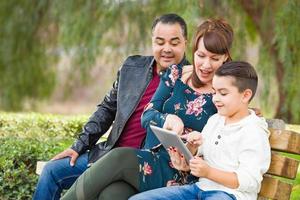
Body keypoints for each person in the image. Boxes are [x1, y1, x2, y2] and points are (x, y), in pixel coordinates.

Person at [61, 18, 234, 200]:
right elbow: (147, 115)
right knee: (111, 194)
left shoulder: (224, 95)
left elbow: (223, 146)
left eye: (214, 59)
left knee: (119, 157)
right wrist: (167, 119)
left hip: (182, 175)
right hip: (148, 159)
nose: (206, 65)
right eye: (201, 55)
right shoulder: (176, 74)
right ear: (194, 51)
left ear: (225, 59)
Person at [33, 13, 189, 200]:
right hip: (108, 155)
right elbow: (107, 109)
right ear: (152, 41)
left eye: (174, 42)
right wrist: (79, 146)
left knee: (110, 195)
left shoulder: (191, 82)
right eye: (160, 41)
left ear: (185, 43)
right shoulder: (133, 67)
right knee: (51, 171)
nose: (166, 49)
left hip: (141, 168)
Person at [129, 61, 271, 200]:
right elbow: (200, 155)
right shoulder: (215, 120)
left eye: (223, 93)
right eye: (214, 92)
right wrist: (192, 146)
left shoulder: (254, 131)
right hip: (199, 189)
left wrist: (209, 172)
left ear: (245, 95)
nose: (215, 99)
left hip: (230, 195)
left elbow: (249, 181)